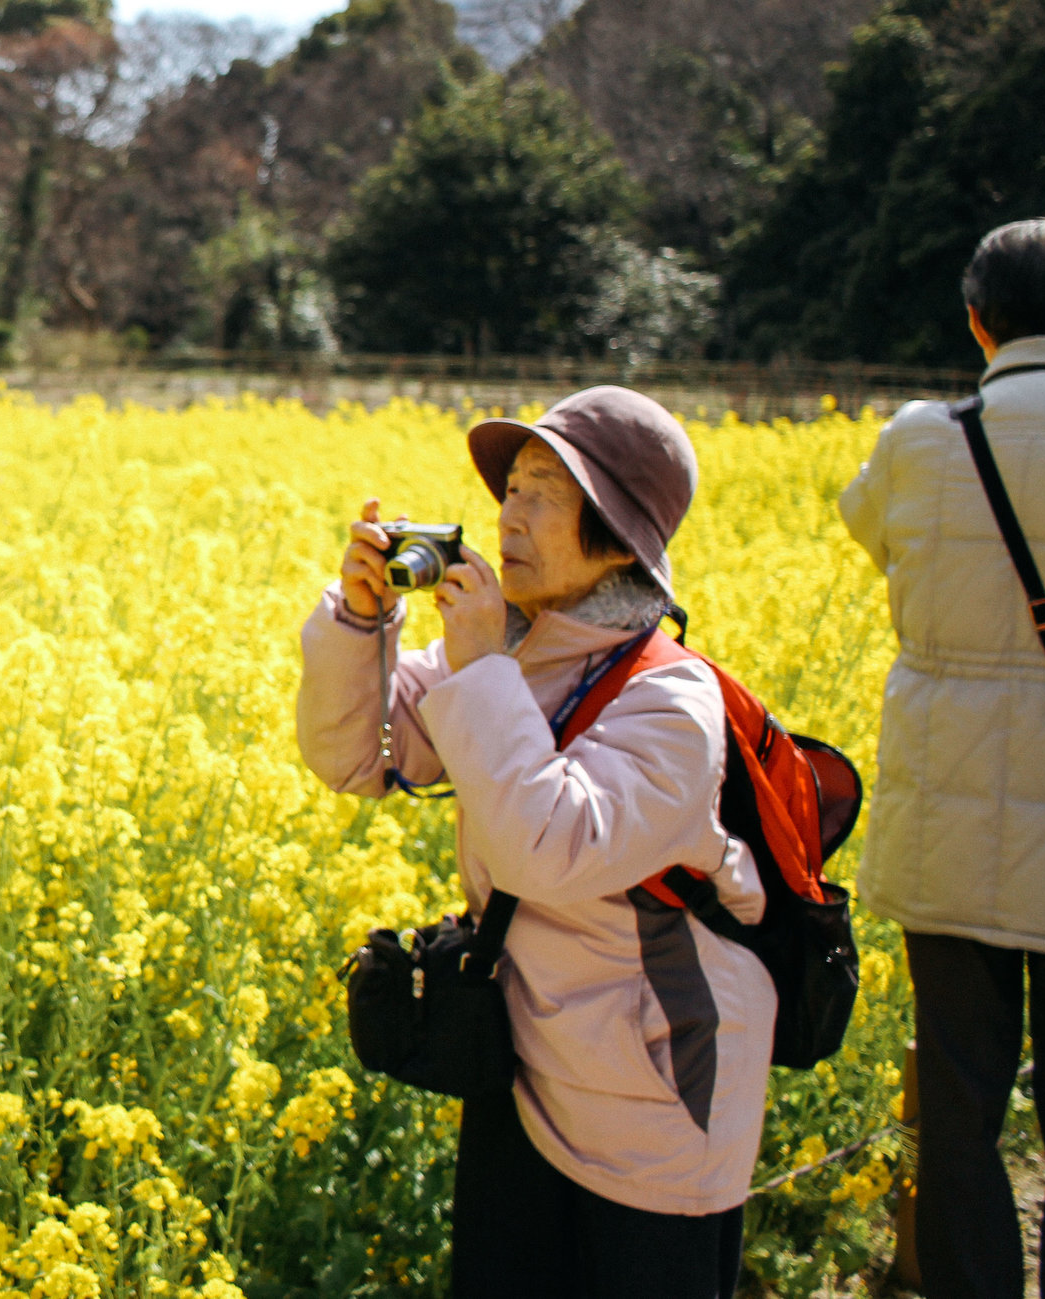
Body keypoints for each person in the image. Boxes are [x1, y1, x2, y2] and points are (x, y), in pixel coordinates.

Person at [296, 387, 770, 1297]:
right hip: (522, 1068)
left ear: (617, 538)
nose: (508, 517)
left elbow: (544, 850)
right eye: (509, 490)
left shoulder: (672, 702)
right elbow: (355, 755)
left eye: (542, 494)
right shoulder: (512, 657)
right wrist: (361, 622)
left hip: (654, 1103)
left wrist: (480, 664)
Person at [839, 217, 1045, 1298]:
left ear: (977, 322)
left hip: (946, 822)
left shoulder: (922, 439)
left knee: (960, 1102)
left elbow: (870, 530)